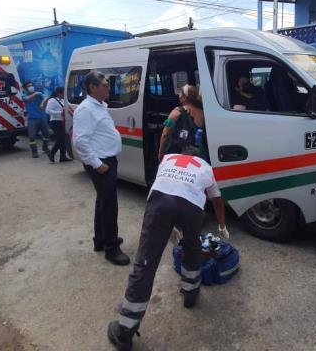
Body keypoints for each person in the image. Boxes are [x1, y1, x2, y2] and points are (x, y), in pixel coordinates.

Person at [107, 146, 229, 350]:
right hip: (193, 209)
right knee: (193, 249)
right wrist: (222, 226)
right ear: (199, 158)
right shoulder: (206, 167)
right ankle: (190, 295)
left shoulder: (168, 158)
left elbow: (167, 187)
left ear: (183, 154)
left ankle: (125, 330)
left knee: (145, 263)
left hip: (161, 204)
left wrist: (168, 224)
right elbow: (217, 200)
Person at [72, 71, 129, 266]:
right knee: (109, 206)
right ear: (92, 88)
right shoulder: (86, 109)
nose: (108, 87)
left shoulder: (99, 105)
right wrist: (98, 164)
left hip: (107, 160)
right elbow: (81, 142)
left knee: (102, 202)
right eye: (104, 84)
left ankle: (101, 240)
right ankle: (111, 249)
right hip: (101, 163)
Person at [158, 84, 208, 162]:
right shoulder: (202, 112)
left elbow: (165, 134)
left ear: (185, 97)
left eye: (180, 93)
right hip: (196, 155)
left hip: (177, 155)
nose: (179, 95)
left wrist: (160, 154)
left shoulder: (177, 111)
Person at [41, 86, 71, 163]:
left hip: (62, 121)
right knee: (61, 138)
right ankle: (52, 153)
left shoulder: (63, 100)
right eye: (63, 92)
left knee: (63, 139)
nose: (64, 94)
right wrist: (59, 113)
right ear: (59, 93)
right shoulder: (52, 100)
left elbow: (68, 107)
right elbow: (47, 111)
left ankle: (63, 157)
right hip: (55, 122)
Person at [21, 81, 50, 158]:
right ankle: (34, 152)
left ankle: (45, 147)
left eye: (31, 85)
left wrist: (42, 103)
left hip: (42, 117)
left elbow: (47, 98)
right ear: (25, 88)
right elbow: (27, 99)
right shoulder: (24, 95)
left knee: (46, 134)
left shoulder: (39, 94)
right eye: (28, 86)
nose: (31, 87)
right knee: (32, 137)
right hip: (32, 119)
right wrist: (35, 94)